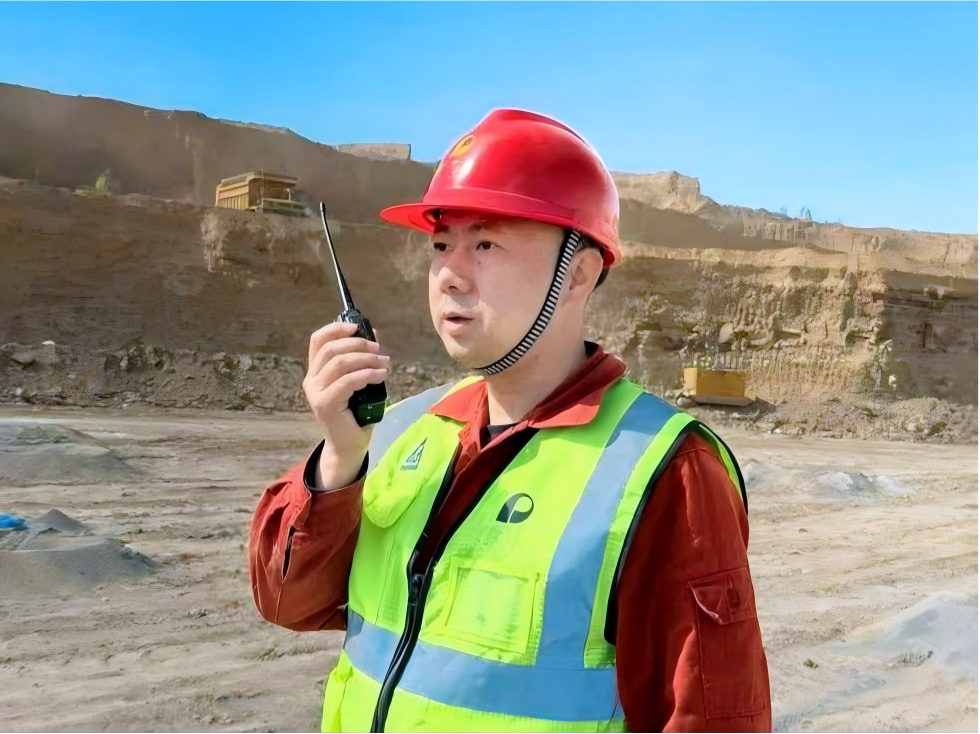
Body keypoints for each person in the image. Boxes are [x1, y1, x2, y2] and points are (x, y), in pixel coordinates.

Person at [248, 109, 770, 733]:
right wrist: (338, 458)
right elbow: (287, 601)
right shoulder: (406, 428)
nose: (449, 275)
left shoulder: (668, 470)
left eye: (485, 244)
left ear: (577, 274)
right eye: (441, 245)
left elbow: (711, 716)